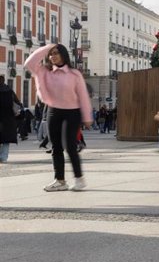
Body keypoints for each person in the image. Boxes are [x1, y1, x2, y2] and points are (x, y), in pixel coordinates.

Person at [25, 44, 93, 191]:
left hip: (72, 112)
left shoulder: (74, 74)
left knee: (70, 146)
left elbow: (83, 96)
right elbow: (29, 62)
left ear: (63, 54)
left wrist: (87, 116)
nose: (53, 56)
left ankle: (79, 178)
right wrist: (49, 46)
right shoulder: (44, 72)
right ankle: (60, 181)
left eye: (56, 53)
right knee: (56, 147)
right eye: (51, 54)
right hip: (53, 110)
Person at [0, 76, 21, 163]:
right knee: (6, 139)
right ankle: (3, 157)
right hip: (8, 119)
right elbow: (17, 103)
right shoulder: (9, 91)